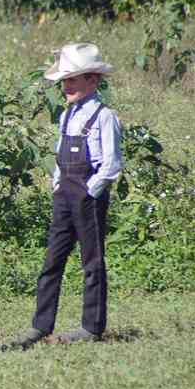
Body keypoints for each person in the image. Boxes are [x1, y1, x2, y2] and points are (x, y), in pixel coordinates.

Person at [9, 43, 124, 349]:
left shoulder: (105, 116)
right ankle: (41, 326)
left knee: (92, 262)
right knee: (52, 262)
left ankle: (92, 327)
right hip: (64, 196)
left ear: (93, 81)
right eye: (64, 80)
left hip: (88, 196)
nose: (66, 86)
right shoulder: (66, 115)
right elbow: (60, 154)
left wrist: (90, 192)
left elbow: (112, 165)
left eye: (72, 79)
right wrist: (58, 183)